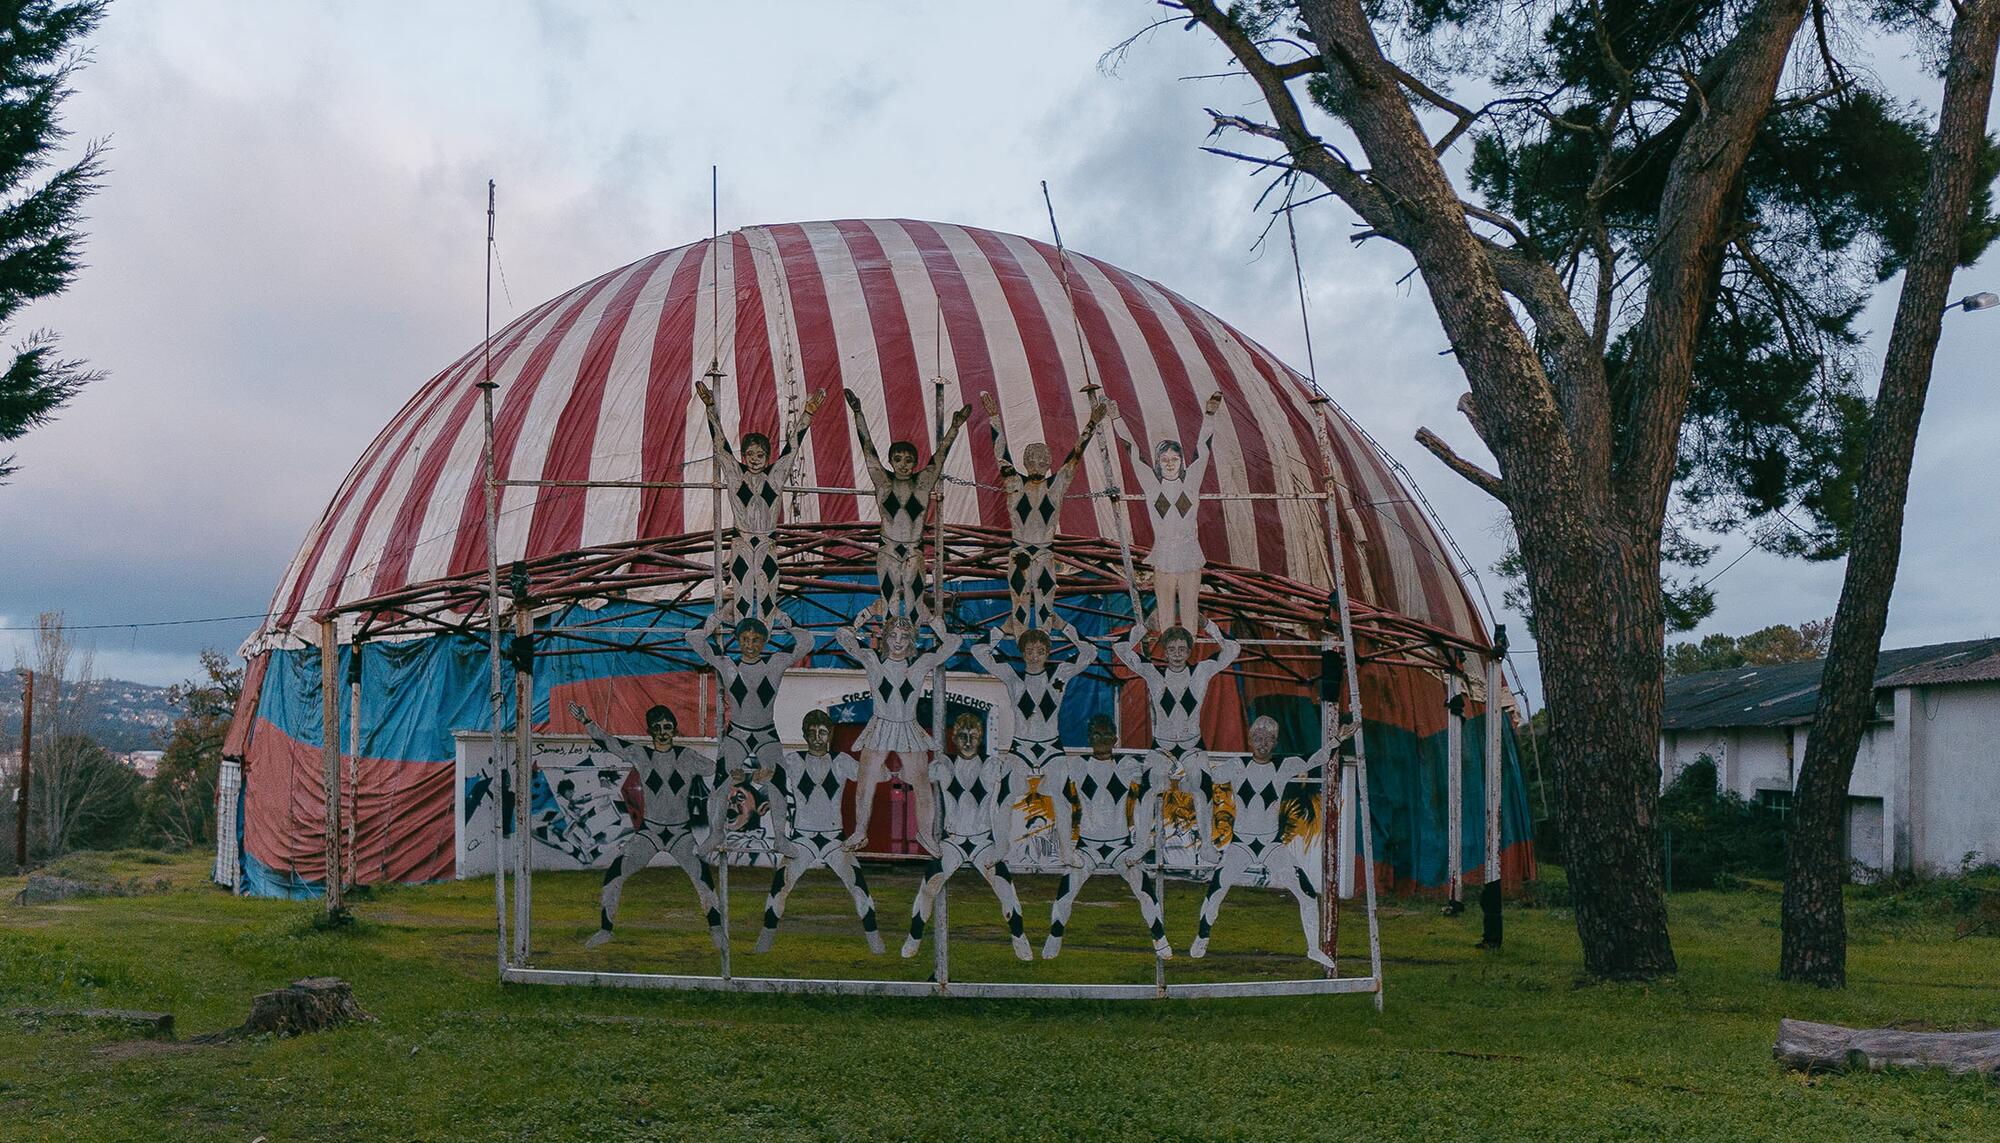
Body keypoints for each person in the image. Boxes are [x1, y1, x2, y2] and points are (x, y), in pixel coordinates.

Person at [569, 702, 727, 951]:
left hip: (680, 834)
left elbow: (720, 771)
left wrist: (736, 767)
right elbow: (611, 743)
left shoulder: (687, 757)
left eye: (667, 726)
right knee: (613, 876)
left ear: (674, 728)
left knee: (702, 878)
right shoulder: (641, 755)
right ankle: (605, 930)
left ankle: (717, 930)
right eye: (657, 727)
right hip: (650, 832)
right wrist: (587, 722)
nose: (663, 731)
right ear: (650, 731)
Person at [1189, 716, 1335, 968]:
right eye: (1257, 738)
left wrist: (1338, 738)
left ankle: (1313, 948)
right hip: (1241, 844)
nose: (1262, 744)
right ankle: (1202, 936)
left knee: (1308, 895)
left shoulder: (1285, 765)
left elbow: (1316, 758)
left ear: (1276, 742)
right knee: (1217, 889)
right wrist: (1189, 763)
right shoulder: (1236, 766)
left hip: (1271, 845)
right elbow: (1207, 779)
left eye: (1268, 739)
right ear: (1249, 739)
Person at [903, 714, 1033, 961]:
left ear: (981, 737)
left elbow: (1016, 788)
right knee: (929, 886)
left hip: (983, 841)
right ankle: (914, 936)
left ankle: (1019, 936)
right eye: (962, 736)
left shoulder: (994, 765)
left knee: (1006, 889)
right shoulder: (943, 765)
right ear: (953, 737)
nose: (967, 741)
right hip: (953, 840)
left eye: (973, 736)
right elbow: (917, 782)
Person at [695, 380, 827, 623]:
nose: (755, 460)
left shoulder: (774, 477)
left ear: (767, 457)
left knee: (768, 596)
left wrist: (807, 414)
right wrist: (710, 408)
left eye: (760, 455)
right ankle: (742, 639)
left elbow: (792, 448)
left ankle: (763, 641)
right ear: (744, 456)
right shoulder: (737, 476)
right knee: (742, 595)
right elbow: (721, 446)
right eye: (750, 455)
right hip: (742, 542)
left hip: (766, 542)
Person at [753, 709, 884, 954]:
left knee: (859, 887)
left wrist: (876, 758)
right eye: (812, 732)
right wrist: (750, 775)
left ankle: (875, 942)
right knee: (779, 886)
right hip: (802, 838)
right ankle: (765, 939)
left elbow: (878, 776)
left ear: (830, 734)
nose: (817, 737)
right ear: (804, 734)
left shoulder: (842, 761)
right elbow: (765, 777)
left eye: (822, 732)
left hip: (835, 839)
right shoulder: (793, 760)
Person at [1042, 715, 1171, 961]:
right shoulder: (1077, 765)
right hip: (1087, 844)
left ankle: (1160, 937)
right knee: (1065, 890)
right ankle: (1055, 935)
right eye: (1095, 734)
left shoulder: (1127, 765)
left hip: (1120, 844)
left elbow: (1152, 784)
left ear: (1115, 738)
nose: (1100, 740)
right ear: (1089, 737)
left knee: (1144, 889)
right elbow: (1046, 788)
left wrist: (1160, 772)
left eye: (1105, 734)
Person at [834, 612, 964, 856]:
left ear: (911, 641)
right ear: (884, 638)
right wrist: (861, 618)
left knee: (922, 785)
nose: (898, 641)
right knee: (865, 781)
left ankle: (924, 832)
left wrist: (937, 626)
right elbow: (842, 636)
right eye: (893, 635)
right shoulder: (872, 660)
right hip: (880, 726)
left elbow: (955, 643)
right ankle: (861, 830)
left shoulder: (919, 666)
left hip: (907, 727)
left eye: (904, 637)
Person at [979, 391, 1108, 634]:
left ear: (1049, 465)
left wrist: (1091, 424)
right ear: (1026, 462)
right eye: (1033, 461)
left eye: (1042, 462)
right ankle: (1019, 646)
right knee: (1019, 604)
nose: (1037, 466)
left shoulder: (1055, 487)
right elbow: (1001, 456)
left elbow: (1074, 458)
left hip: (1045, 554)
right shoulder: (1015, 485)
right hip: (1020, 554)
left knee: (1045, 606)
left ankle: (1043, 650)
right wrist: (994, 419)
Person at [1113, 619, 1240, 864]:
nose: (1177, 655)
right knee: (1148, 788)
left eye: (1182, 649)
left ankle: (1206, 846)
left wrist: (1208, 625)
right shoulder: (1153, 673)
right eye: (1171, 649)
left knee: (1202, 785)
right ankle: (1142, 843)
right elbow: (1120, 650)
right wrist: (1145, 626)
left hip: (1192, 744)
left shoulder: (1201, 671)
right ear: (1165, 650)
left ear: (1190, 651)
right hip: (1162, 745)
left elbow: (1233, 649)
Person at [844, 388, 971, 623]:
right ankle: (888, 646)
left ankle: (911, 647)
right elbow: (868, 451)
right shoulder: (884, 483)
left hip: (914, 549)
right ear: (891, 461)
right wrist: (858, 414)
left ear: (915, 462)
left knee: (915, 603)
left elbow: (939, 457)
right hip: (889, 549)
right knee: (890, 604)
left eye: (909, 460)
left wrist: (954, 428)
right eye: (898, 459)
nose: (903, 464)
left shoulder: (921, 485)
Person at [967, 625, 1094, 850]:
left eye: (1040, 651)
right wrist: (1001, 630)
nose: (1034, 656)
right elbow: (978, 651)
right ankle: (1000, 848)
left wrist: (1065, 627)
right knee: (1002, 799)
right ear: (1022, 653)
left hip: (1051, 747)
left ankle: (1067, 852)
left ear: (1048, 653)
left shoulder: (1060, 674)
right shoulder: (1012, 675)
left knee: (1063, 801)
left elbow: (1090, 652)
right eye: (1029, 651)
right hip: (1021, 747)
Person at [1110, 393, 1223, 633]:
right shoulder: (1152, 486)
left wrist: (1210, 416)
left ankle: (1189, 651)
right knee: (1165, 612)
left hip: (1189, 554)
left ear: (1182, 461)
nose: (1170, 464)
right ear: (1157, 463)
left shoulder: (1190, 483)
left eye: (1175, 459)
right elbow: (1133, 453)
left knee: (1191, 609)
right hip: (1163, 555)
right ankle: (1169, 654)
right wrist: (1117, 419)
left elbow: (1203, 452)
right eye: (1164, 459)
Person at [687, 607, 817, 792]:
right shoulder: (728, 665)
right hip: (737, 733)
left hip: (766, 732)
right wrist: (720, 616)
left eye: (755, 640)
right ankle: (717, 821)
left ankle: (780, 822)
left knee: (778, 790)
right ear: (738, 641)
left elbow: (807, 642)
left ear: (764, 641)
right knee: (720, 789)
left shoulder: (774, 664)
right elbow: (692, 637)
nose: (750, 645)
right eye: (745, 640)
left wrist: (780, 614)